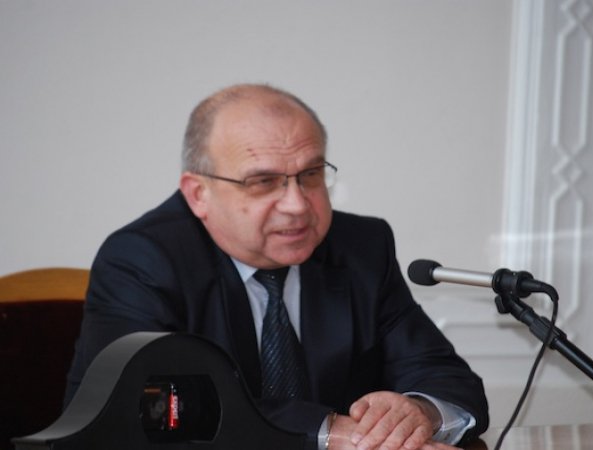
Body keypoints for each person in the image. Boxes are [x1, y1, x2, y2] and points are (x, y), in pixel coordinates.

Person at [65, 84, 489, 450]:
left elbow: (447, 377)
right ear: (198, 194)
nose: (297, 205)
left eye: (311, 174)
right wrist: (332, 433)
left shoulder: (363, 248)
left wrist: (418, 413)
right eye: (263, 182)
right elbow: (152, 408)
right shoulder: (142, 260)